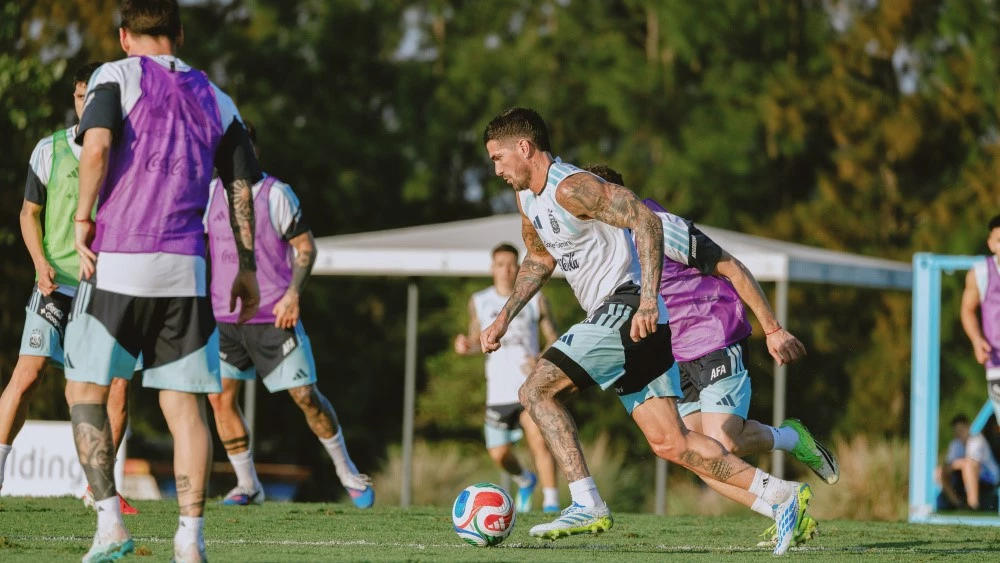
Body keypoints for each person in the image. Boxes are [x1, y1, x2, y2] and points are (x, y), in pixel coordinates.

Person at [481, 107, 810, 556]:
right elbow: (540, 259)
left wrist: (650, 299)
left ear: (525, 147)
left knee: (536, 391)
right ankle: (780, 496)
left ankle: (585, 502)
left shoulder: (571, 186)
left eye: (499, 157)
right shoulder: (528, 201)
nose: (496, 169)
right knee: (671, 443)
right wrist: (504, 316)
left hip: (628, 307)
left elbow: (646, 220)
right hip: (632, 324)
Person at [64, 1, 261, 561]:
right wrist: (245, 267)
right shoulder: (219, 99)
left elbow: (96, 146)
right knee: (186, 410)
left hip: (119, 260)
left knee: (85, 392)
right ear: (180, 34)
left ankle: (109, 525)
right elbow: (241, 188)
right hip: (186, 271)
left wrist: (83, 218)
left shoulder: (115, 75)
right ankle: (190, 541)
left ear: (126, 36)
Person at [583, 164, 837, 546]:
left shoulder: (661, 226)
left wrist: (772, 329)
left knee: (725, 441)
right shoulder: (607, 244)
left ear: (612, 196)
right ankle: (783, 510)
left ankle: (790, 438)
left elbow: (733, 268)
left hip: (715, 332)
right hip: (673, 353)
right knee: (698, 456)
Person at [205, 122, 374, 509]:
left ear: (255, 152)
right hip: (225, 320)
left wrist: (293, 294)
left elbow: (305, 249)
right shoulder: (210, 194)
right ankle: (247, 485)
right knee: (220, 400)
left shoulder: (276, 194)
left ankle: (347, 471)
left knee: (305, 396)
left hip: (275, 317)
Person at [0, 62, 138, 516]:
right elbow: (28, 214)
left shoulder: (123, 150)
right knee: (27, 376)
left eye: (94, 95)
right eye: (81, 95)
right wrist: (39, 263)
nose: (87, 103)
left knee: (115, 388)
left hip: (105, 287)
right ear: (75, 99)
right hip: (55, 282)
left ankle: (98, 489)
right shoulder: (49, 149)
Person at [454, 242, 560, 513]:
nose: (506, 270)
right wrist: (467, 346)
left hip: (529, 386)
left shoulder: (536, 298)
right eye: (500, 265)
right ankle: (525, 480)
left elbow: (554, 339)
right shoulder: (479, 301)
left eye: (512, 264)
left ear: (520, 267)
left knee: (539, 440)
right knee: (499, 454)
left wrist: (541, 359)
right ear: (493, 268)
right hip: (498, 392)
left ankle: (551, 503)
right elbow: (479, 340)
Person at [961, 214, 1000, 421]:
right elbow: (967, 310)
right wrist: (976, 340)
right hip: (997, 361)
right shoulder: (980, 273)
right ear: (991, 244)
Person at [936, 414, 1000, 511]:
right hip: (968, 475)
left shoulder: (977, 440)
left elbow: (972, 462)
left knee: (968, 466)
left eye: (961, 429)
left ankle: (973, 505)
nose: (959, 433)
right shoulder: (955, 444)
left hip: (989, 477)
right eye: (956, 430)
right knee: (940, 471)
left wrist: (953, 465)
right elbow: (949, 465)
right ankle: (958, 504)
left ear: (968, 427)